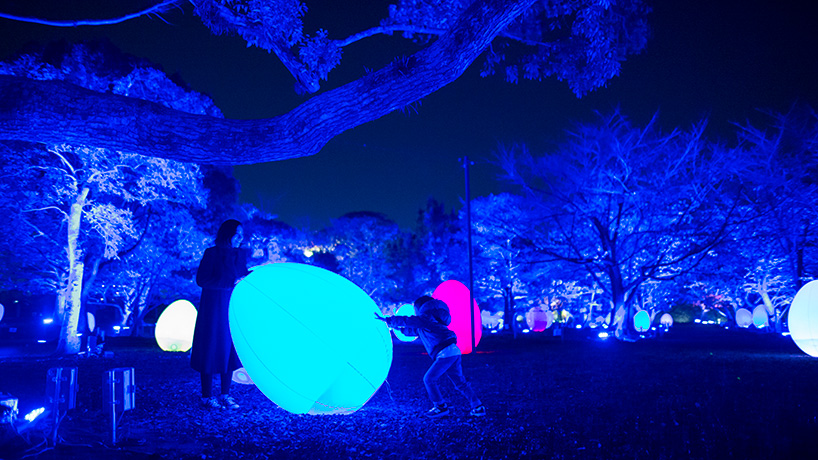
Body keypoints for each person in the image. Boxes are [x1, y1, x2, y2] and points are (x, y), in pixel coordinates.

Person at [377, 295, 486, 418]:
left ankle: (440, 407)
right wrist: (396, 328)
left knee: (429, 379)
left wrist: (389, 320)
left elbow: (409, 321)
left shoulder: (426, 318)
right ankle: (478, 406)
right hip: (453, 351)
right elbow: (412, 330)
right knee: (460, 382)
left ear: (420, 308)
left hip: (445, 353)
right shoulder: (430, 321)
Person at [190, 219, 250, 409]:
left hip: (233, 308)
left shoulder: (240, 254)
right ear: (227, 234)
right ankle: (206, 396)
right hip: (213, 309)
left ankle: (225, 394)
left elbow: (243, 276)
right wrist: (229, 284)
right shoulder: (212, 253)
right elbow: (202, 280)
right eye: (237, 234)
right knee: (209, 348)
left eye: (242, 235)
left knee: (230, 350)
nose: (240, 238)